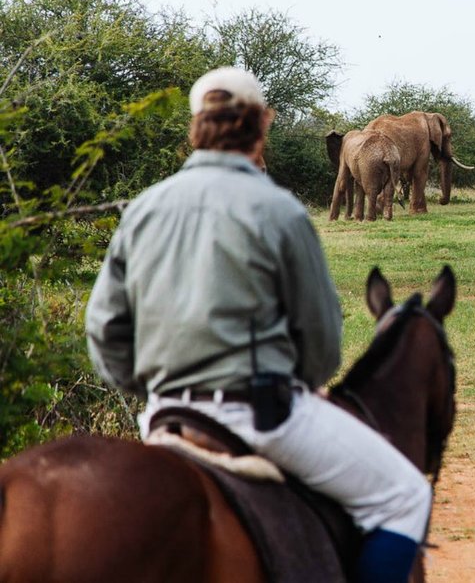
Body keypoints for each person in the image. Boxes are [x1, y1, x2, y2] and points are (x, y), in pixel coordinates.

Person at [85, 67, 431, 582]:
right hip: (263, 414)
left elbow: (105, 330)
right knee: (406, 496)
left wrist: (154, 388)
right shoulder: (279, 210)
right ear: (261, 125)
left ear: (195, 126)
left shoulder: (144, 209)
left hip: (164, 414)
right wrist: (305, 378)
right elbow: (321, 340)